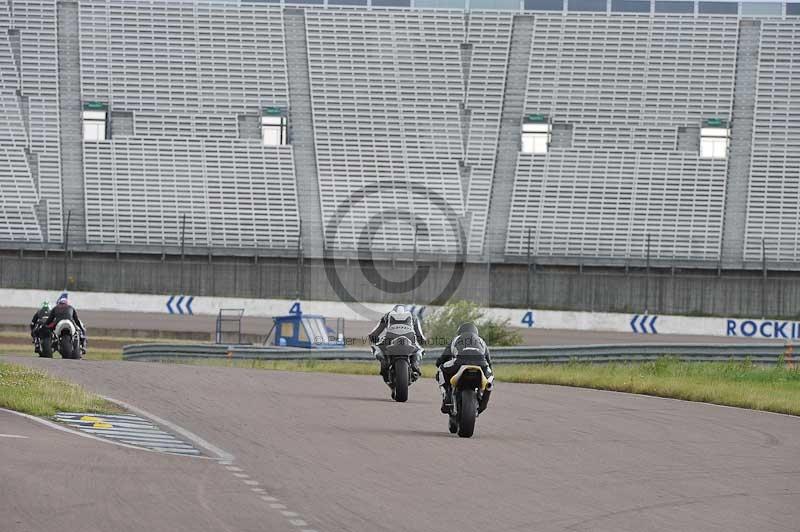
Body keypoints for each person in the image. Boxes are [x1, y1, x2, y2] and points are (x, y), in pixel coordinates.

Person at [435, 322, 493, 414]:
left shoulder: (456, 339)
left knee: (441, 369)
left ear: (460, 331)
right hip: (482, 364)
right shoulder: (481, 341)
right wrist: (489, 373)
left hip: (460, 362)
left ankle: (447, 396)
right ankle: (483, 402)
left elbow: (444, 356)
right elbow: (489, 361)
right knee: (490, 380)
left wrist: (439, 363)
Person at [369, 304, 426, 380]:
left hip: (389, 339)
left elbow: (374, 334)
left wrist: (376, 340)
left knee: (375, 347)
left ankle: (384, 362)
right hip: (410, 339)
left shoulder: (387, 316)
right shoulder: (413, 317)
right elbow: (421, 337)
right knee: (420, 350)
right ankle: (414, 365)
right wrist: (421, 341)